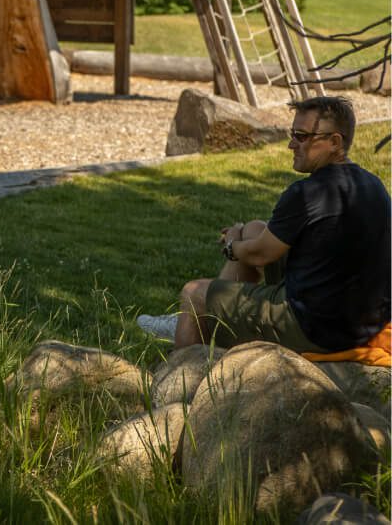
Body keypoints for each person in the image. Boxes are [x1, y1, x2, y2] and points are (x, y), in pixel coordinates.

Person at [137, 95, 391, 352]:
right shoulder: (373, 184)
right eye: (293, 133)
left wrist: (233, 243)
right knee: (255, 229)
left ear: (335, 142)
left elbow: (260, 255)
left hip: (317, 329)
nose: (291, 144)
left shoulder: (307, 192)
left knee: (193, 293)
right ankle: (206, 319)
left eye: (302, 136)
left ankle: (184, 363)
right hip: (364, 320)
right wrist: (243, 236)